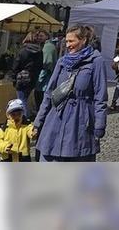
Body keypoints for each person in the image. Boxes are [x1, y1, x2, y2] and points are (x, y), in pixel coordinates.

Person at [33, 25, 108, 162]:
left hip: (80, 121)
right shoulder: (62, 62)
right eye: (66, 41)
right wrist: (38, 121)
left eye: (71, 41)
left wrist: (99, 125)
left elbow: (100, 97)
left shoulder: (96, 62)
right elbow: (49, 93)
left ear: (83, 40)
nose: (68, 45)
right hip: (56, 118)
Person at [11, 31, 43, 119]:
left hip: (22, 79)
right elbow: (40, 66)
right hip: (33, 79)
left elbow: (16, 66)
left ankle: (25, 118)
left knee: (21, 100)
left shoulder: (23, 51)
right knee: (25, 99)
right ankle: (25, 117)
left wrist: (14, 79)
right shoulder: (39, 52)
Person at [35, 30, 58, 112]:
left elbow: (47, 63)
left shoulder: (48, 46)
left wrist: (39, 79)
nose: (39, 38)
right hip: (45, 80)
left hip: (44, 82)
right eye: (38, 36)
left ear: (47, 36)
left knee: (40, 101)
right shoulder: (46, 45)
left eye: (41, 36)